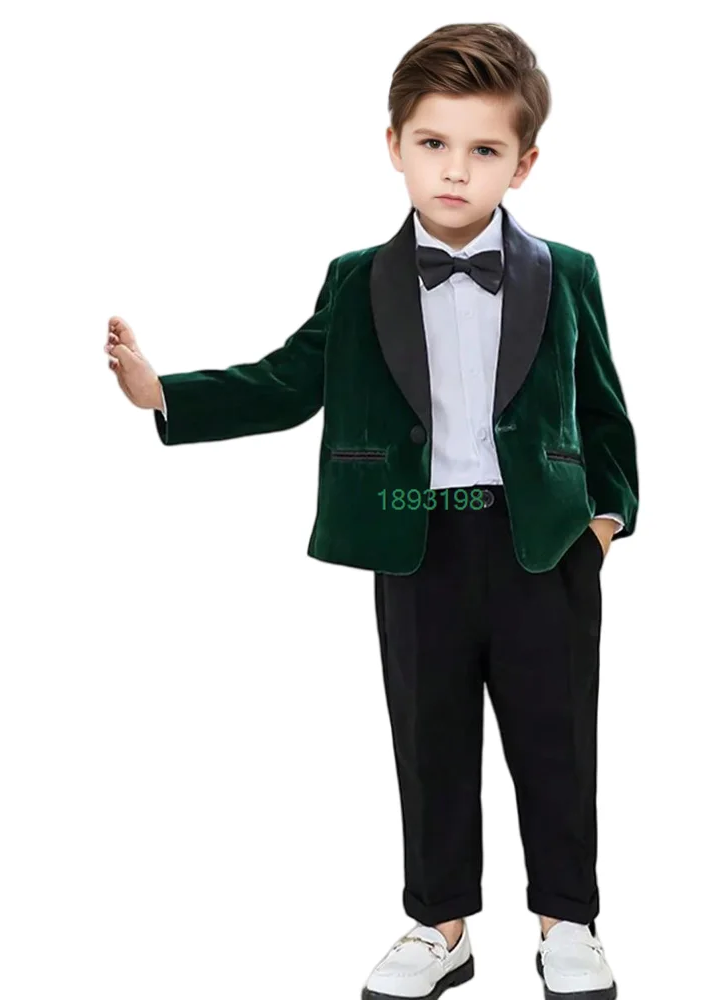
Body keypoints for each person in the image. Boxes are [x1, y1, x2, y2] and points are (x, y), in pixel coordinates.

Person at [106, 21, 638, 1000]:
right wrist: (165, 393)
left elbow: (603, 410)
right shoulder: (359, 278)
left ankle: (569, 920)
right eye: (433, 142)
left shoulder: (568, 272)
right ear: (394, 144)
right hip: (413, 536)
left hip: (544, 546)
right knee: (429, 740)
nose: (455, 169)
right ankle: (440, 926)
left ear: (523, 164)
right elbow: (287, 380)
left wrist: (605, 522)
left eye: (484, 150)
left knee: (557, 739)